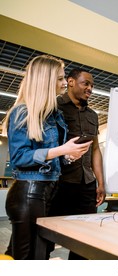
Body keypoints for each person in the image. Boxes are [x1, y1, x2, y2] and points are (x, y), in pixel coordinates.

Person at [2, 55, 92, 260]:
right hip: (28, 194)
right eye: (60, 78)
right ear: (46, 80)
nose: (64, 83)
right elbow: (19, 158)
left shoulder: (53, 115)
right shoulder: (22, 113)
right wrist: (60, 150)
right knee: (28, 259)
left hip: (50, 191)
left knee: (42, 254)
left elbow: (52, 157)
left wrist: (68, 155)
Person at [49, 68, 106, 259]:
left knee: (85, 241)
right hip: (59, 182)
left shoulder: (93, 115)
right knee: (46, 238)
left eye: (92, 85)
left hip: (86, 184)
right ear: (71, 82)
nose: (90, 88)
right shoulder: (54, 107)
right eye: (85, 83)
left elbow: (95, 149)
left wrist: (100, 182)